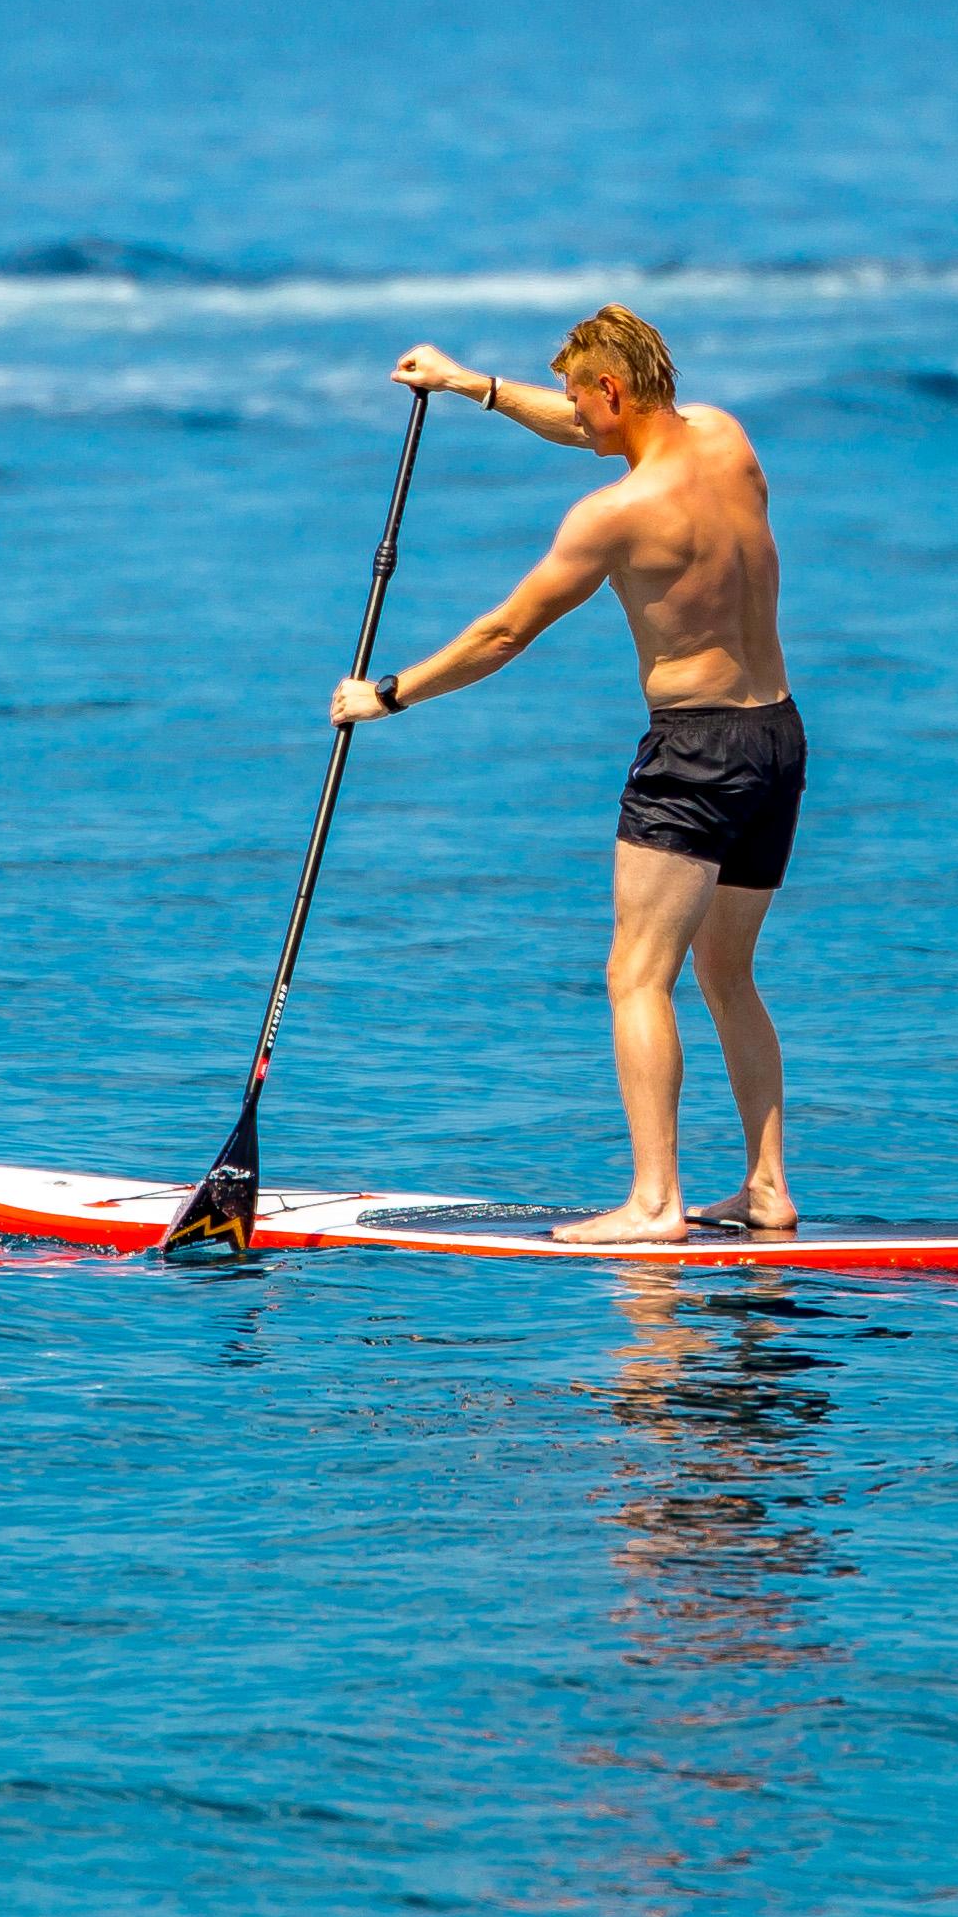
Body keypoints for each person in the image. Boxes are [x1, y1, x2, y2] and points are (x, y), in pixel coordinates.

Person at [333, 305, 801, 1245]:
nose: (579, 421)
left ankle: (655, 1204)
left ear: (614, 391)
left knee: (637, 976)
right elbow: (604, 435)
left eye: (584, 403)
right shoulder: (725, 437)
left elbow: (504, 633)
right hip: (775, 737)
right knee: (728, 975)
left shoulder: (616, 517)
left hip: (693, 755)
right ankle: (766, 1190)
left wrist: (386, 694)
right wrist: (475, 388)